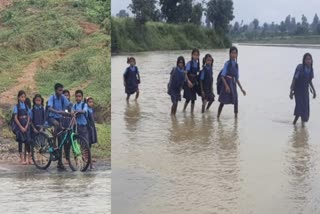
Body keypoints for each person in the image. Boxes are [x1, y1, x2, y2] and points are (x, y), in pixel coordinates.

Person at [217, 46, 246, 119]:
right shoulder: (227, 63)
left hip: (233, 84)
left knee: (236, 101)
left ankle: (236, 119)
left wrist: (242, 89)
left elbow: (236, 78)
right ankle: (218, 116)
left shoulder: (236, 65)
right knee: (223, 101)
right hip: (226, 83)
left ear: (237, 55)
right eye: (232, 53)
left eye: (235, 53)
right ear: (230, 54)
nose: (234, 55)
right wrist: (226, 86)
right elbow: (222, 76)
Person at [47, 83, 70, 170]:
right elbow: (49, 108)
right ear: (56, 90)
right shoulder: (52, 97)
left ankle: (60, 163)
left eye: (62, 90)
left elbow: (69, 105)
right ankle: (54, 144)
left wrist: (72, 112)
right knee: (56, 124)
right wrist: (57, 112)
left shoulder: (63, 97)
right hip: (51, 118)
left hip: (60, 118)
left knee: (61, 140)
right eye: (59, 90)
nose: (61, 92)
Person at [290, 53, 316, 125]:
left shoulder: (311, 69)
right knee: (299, 107)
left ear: (311, 60)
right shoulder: (300, 68)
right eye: (306, 59)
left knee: (305, 108)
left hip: (305, 91)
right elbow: (294, 79)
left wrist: (314, 91)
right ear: (304, 60)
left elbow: (309, 80)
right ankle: (295, 123)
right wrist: (291, 91)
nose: (308, 61)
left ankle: (302, 124)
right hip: (297, 91)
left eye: (309, 59)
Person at [13, 90, 31, 165]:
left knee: (27, 141)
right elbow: (15, 118)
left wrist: (26, 125)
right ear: (18, 97)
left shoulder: (26, 106)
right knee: (20, 141)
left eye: (24, 97)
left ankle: (29, 159)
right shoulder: (16, 106)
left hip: (26, 124)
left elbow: (29, 116)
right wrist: (20, 127)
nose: (23, 98)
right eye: (21, 97)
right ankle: (22, 159)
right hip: (19, 124)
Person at [183, 49, 200, 113]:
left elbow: (197, 74)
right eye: (194, 55)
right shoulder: (189, 63)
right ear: (192, 55)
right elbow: (185, 73)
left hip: (194, 83)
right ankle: (184, 110)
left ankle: (192, 112)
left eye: (197, 55)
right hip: (188, 82)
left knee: (193, 99)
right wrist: (188, 81)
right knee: (188, 98)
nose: (196, 56)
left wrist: (195, 83)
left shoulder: (198, 64)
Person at [86, 96, 98, 169]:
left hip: (91, 129)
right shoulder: (86, 110)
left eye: (92, 102)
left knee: (89, 146)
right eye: (89, 102)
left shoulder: (91, 109)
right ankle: (89, 163)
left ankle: (89, 163)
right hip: (87, 129)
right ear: (86, 103)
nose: (91, 103)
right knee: (87, 146)